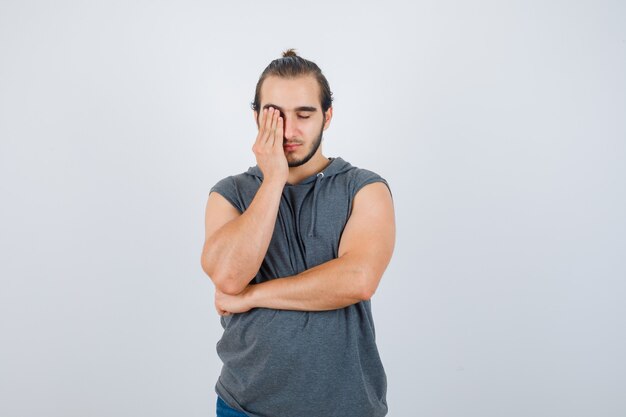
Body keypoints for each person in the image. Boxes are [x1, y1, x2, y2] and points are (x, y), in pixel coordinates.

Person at [201, 49, 396, 417]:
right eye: (274, 115)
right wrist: (273, 178)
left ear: (328, 115)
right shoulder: (229, 193)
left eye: (304, 114)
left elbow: (357, 280)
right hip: (244, 406)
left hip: (347, 407)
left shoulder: (365, 189)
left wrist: (252, 295)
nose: (288, 131)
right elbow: (228, 276)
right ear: (256, 117)